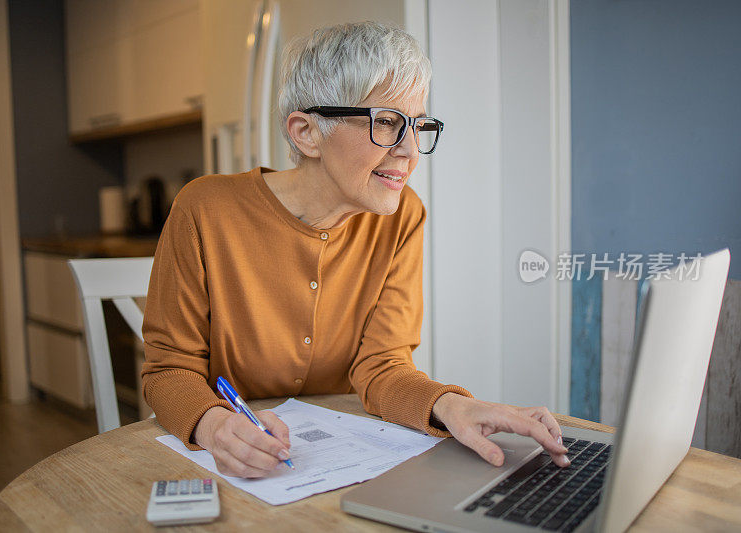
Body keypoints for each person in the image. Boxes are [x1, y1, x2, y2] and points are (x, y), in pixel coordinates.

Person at [141, 21, 570, 478]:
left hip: (334, 460)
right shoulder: (205, 208)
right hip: (232, 463)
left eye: (416, 125)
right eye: (386, 122)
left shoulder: (403, 216)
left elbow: (382, 365)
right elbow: (169, 369)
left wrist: (452, 407)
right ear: (306, 133)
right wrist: (214, 427)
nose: (409, 150)